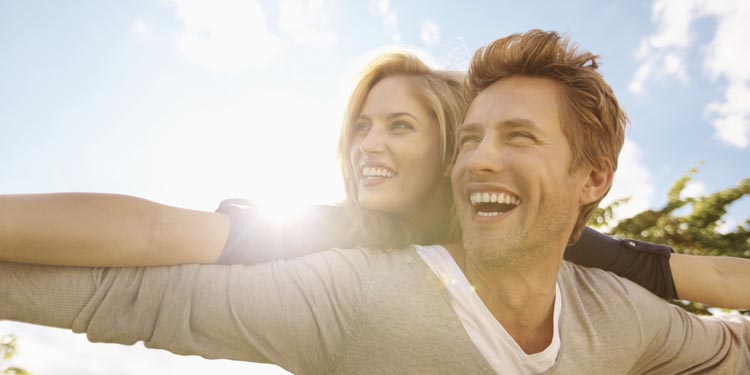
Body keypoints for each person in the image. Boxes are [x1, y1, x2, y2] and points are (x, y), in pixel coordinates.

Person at [1, 30, 750, 374]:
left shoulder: (590, 277)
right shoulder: (332, 257)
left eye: (400, 125)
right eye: (360, 125)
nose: (370, 146)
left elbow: (712, 293)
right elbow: (145, 251)